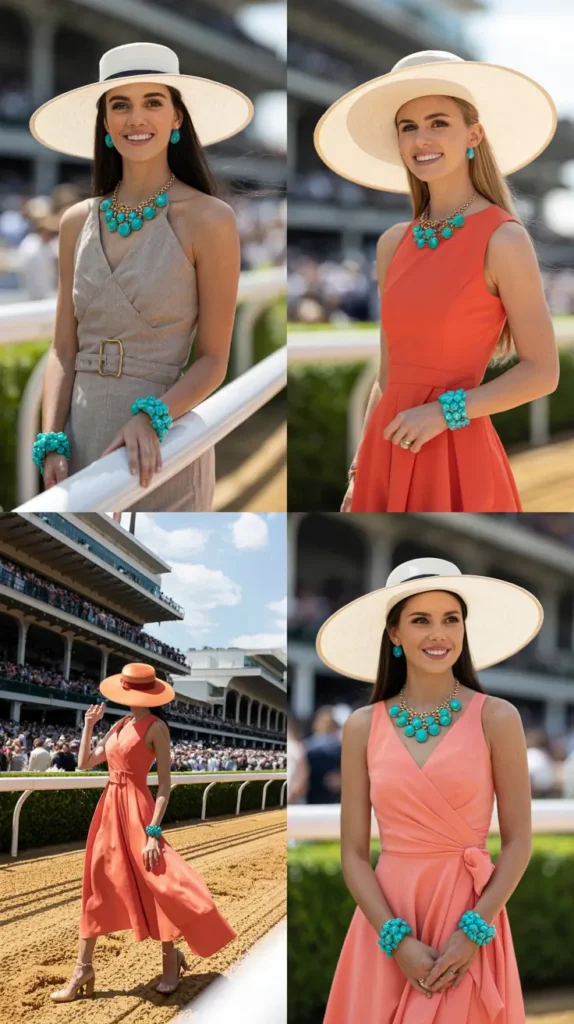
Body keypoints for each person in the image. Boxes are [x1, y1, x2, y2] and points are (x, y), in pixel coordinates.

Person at [314, 50, 560, 512]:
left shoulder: (503, 239)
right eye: (408, 127)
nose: (420, 138)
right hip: (385, 447)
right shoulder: (392, 243)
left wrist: (443, 414)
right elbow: (387, 375)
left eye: (438, 122)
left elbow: (542, 373)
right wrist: (357, 469)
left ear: (474, 134)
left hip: (456, 450)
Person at [315, 557, 543, 1022]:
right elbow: (354, 855)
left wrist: (473, 933)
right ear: (395, 633)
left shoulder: (498, 718)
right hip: (386, 923)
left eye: (451, 619)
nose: (439, 634)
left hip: (471, 921)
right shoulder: (361, 726)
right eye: (421, 620)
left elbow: (519, 841)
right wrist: (396, 941)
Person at [29, 41, 253, 511]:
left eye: (153, 102)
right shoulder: (76, 221)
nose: (136, 118)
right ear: (105, 122)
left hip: (160, 444)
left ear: (176, 119)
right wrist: (51, 435)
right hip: (77, 441)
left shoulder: (210, 219)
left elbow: (214, 359)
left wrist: (153, 418)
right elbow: (63, 349)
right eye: (120, 105)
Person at [50, 662, 236, 1003]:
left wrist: (153, 833)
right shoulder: (119, 725)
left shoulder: (156, 728)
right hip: (109, 810)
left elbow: (165, 784)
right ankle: (83, 968)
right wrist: (89, 726)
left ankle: (171, 962)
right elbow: (85, 763)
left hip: (138, 811)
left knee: (157, 882)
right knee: (96, 883)